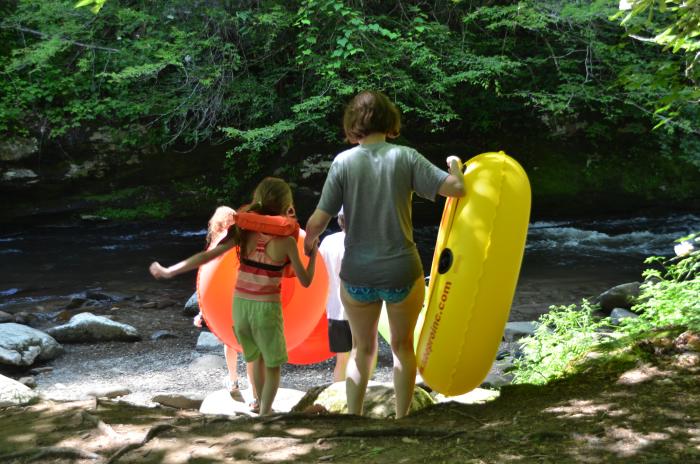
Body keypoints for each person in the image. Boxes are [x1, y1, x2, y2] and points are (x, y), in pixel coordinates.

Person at [303, 90, 466, 419]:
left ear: (353, 124)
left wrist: (307, 246)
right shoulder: (406, 157)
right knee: (403, 349)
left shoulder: (343, 163)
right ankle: (403, 419)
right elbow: (456, 189)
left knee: (362, 351)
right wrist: (456, 167)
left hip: (357, 275)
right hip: (401, 272)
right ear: (389, 120)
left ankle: (354, 417)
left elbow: (318, 221)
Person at [150, 177, 318, 415]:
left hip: (240, 307)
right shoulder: (287, 242)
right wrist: (314, 250)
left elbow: (208, 256)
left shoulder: (244, 232)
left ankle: (259, 405)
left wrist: (171, 270)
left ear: (258, 199)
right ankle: (266, 413)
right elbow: (306, 280)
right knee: (272, 365)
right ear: (286, 203)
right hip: (266, 309)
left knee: (255, 358)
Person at [318, 209, 351, 382]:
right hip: (358, 310)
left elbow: (319, 273)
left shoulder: (327, 242)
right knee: (359, 357)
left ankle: (338, 401)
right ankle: (358, 401)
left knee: (342, 360)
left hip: (334, 309)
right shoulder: (359, 243)